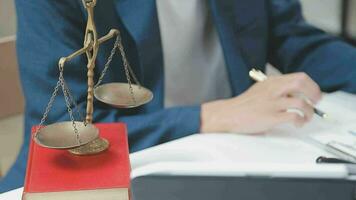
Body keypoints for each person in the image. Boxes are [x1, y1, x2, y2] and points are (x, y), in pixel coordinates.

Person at [1, 0, 356, 192]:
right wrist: (215, 115)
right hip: (101, 176)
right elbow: (70, 130)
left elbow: (291, 36)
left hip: (231, 160)